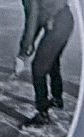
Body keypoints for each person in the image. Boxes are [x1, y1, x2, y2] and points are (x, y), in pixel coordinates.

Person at [17, 0, 73, 129]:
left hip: (58, 25)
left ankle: (42, 114)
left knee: (38, 68)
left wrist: (21, 55)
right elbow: (37, 19)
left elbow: (32, 20)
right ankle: (57, 99)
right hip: (66, 20)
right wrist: (29, 45)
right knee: (51, 60)